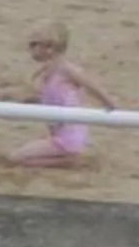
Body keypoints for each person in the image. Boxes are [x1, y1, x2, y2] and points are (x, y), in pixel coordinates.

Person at [12, 23, 110, 168]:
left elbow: (90, 85)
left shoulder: (66, 69)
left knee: (15, 158)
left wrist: (109, 104)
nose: (30, 50)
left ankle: (70, 159)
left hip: (67, 138)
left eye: (34, 45)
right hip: (58, 135)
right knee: (23, 161)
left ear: (50, 47)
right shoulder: (47, 70)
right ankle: (67, 159)